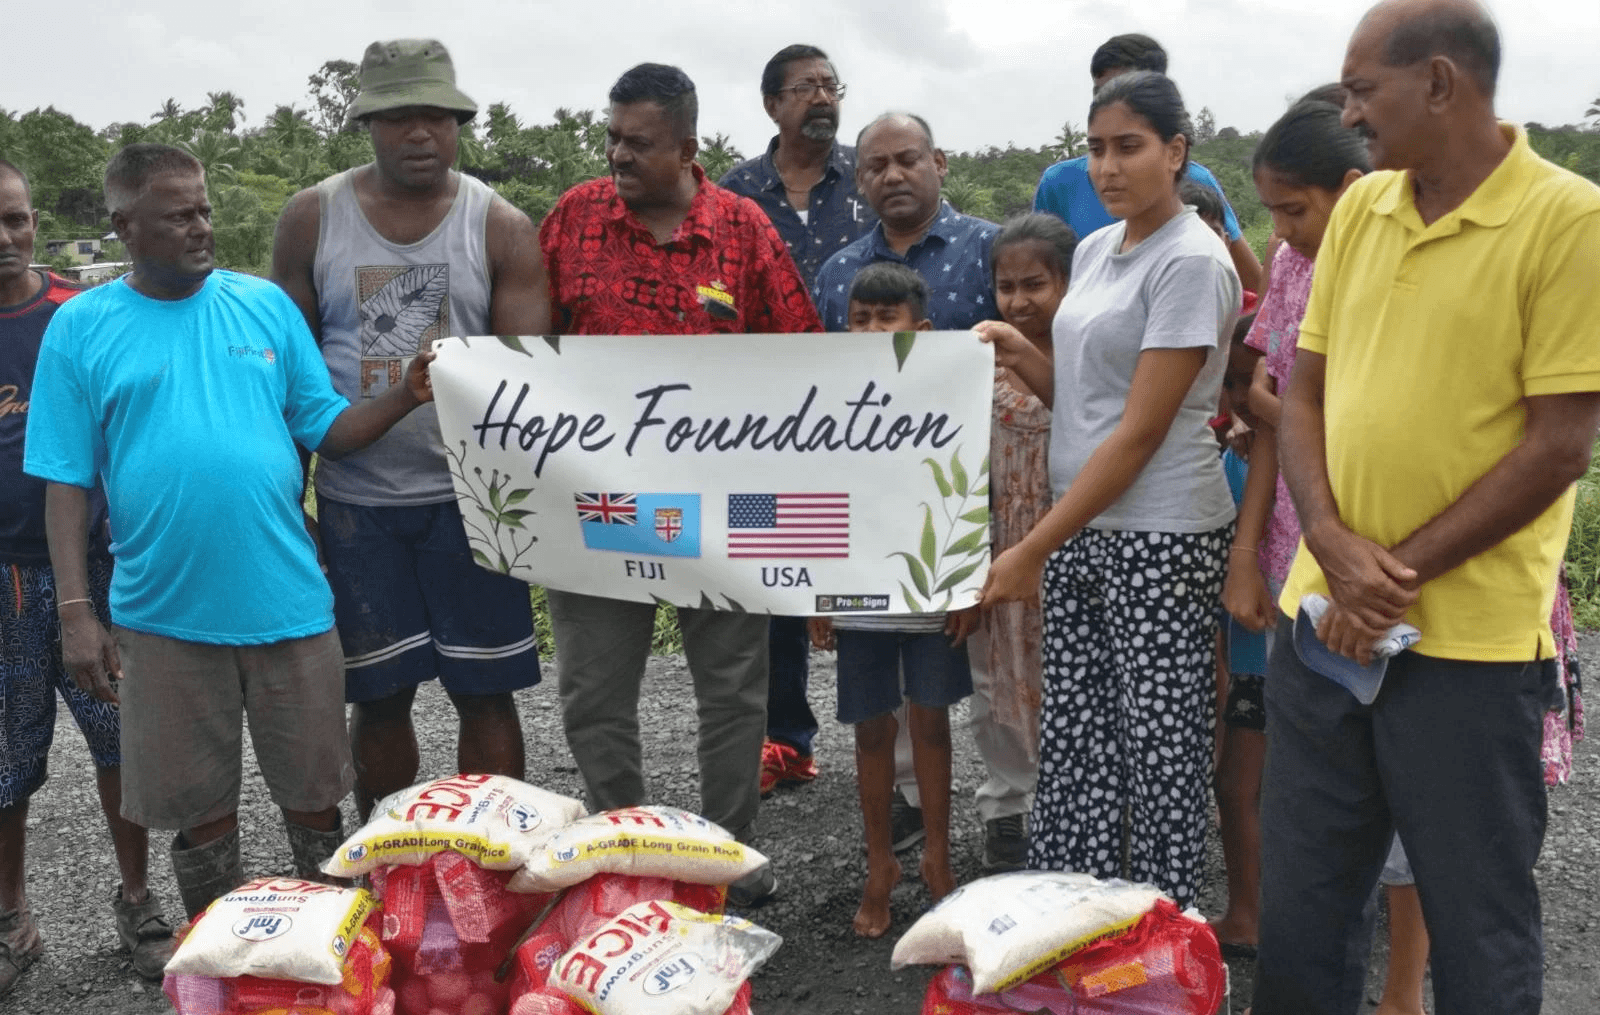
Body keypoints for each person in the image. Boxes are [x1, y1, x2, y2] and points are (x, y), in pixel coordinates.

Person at [1251, 2, 1600, 1011]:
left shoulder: (1567, 220)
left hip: (1467, 652)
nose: (1348, 113)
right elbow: (1304, 389)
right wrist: (1326, 542)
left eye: (1363, 91)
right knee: (1304, 912)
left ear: (1439, 83)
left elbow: (1557, 444)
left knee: (1477, 920)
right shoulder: (1361, 210)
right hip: (1320, 627)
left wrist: (1388, 574)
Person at [25, 144, 437, 921]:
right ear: (123, 225)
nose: (201, 227)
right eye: (178, 215)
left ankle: (328, 960)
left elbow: (330, 428)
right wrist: (78, 614)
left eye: (204, 208)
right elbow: (65, 481)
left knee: (316, 801)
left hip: (289, 605)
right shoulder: (80, 327)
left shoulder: (264, 307)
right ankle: (229, 968)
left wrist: (405, 395)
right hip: (163, 618)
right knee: (199, 811)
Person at [538, 63, 821, 905]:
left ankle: (724, 858)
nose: (618, 156)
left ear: (690, 148)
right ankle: (626, 856)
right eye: (613, 138)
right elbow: (520, 353)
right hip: (600, 500)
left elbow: (803, 358)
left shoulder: (744, 231)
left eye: (640, 143)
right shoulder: (573, 219)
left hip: (722, 505)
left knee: (734, 690)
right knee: (594, 689)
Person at [977, 70, 1241, 909]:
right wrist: (1022, 358)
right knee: (1078, 737)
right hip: (1084, 528)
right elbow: (1089, 406)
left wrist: (1031, 547)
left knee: (1160, 746)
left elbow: (1139, 434)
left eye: (1129, 146)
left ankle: (1164, 933)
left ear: (1176, 150)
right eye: (1095, 148)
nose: (1108, 166)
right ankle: (1075, 919)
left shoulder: (1191, 260)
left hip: (1160, 534)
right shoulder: (1095, 249)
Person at [272, 38, 549, 819]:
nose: (419, 133)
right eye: (398, 118)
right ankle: (391, 858)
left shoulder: (499, 226)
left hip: (471, 503)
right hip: (359, 502)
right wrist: (292, 505)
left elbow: (522, 389)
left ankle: (494, 855)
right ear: (367, 124)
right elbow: (287, 383)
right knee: (381, 697)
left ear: (459, 121)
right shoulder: (310, 219)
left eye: (435, 115)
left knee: (486, 693)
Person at [813, 112, 1035, 870]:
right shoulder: (840, 271)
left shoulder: (986, 249)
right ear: (859, 177)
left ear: (938, 160)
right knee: (893, 672)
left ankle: (1009, 801)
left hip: (983, 482)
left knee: (993, 652)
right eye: (875, 165)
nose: (893, 175)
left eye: (908, 159)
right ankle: (905, 805)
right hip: (875, 499)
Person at [0, 159, 171, 991]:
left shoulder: (83, 313)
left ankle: (138, 898)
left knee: (119, 737)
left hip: (99, 562)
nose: (6, 238)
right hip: (2, 579)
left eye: (17, 218)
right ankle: (11, 919)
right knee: (6, 755)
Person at [1217, 91, 1371, 962]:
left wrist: (1277, 403)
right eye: (1270, 209)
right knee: (1295, 750)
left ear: (1352, 189)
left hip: (1380, 553)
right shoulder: (1291, 262)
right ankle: (1293, 924)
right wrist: (1247, 558)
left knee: (1385, 769)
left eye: (1293, 208)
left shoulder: (1400, 264)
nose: (1279, 227)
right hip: (1293, 548)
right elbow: (1273, 409)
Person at [719, 44, 878, 798]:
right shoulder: (734, 194)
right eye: (803, 87)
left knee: (869, 562)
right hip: (765, 420)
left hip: (864, 417)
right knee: (772, 569)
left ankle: (891, 750)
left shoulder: (870, 179)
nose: (821, 96)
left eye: (829, 84)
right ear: (771, 105)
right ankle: (786, 738)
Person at [808, 261, 978, 938]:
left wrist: (969, 584)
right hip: (857, 592)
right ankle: (881, 865)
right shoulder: (826, 402)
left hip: (935, 587)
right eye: (860, 318)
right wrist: (815, 592)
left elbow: (972, 490)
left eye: (888, 317)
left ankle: (938, 861)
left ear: (923, 329)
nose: (873, 329)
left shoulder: (952, 396)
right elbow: (814, 498)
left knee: (933, 726)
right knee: (871, 730)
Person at [969, 213, 1077, 872]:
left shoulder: (1087, 349)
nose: (1018, 301)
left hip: (1064, 535)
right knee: (995, 680)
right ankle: (1007, 809)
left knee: (1066, 676)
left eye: (1035, 283)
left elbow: (1084, 415)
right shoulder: (977, 360)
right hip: (998, 540)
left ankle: (1070, 807)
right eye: (1005, 286)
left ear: (1070, 281)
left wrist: (1020, 350)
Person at [1033, 33, 1264, 294]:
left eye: (1129, 147)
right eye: (1102, 93)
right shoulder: (1059, 186)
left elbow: (1253, 286)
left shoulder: (1196, 184)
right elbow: (1036, 281)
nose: (1108, 169)